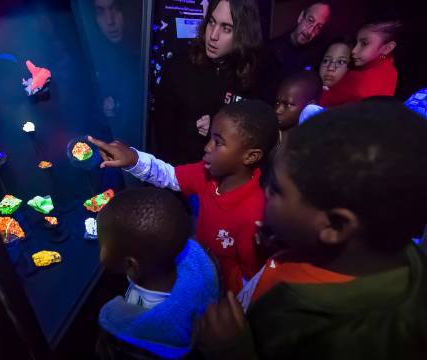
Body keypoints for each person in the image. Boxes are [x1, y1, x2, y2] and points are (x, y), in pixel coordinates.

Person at [196, 98, 427, 359]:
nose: (265, 193)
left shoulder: (349, 340)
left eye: (278, 190)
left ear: (335, 225)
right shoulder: (371, 243)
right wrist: (288, 243)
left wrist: (233, 351)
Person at [89, 100, 279, 293]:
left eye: (218, 142)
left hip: (219, 291)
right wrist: (133, 159)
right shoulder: (208, 174)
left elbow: (250, 279)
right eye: (210, 138)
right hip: (198, 269)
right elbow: (169, 175)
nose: (207, 147)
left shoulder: (254, 213)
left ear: (250, 156)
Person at [96, 187, 219, 359]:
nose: (100, 251)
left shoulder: (138, 330)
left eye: (102, 245)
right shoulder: (199, 270)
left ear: (131, 265)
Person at [151, 0, 264, 165]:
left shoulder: (257, 73)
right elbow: (162, 132)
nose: (213, 35)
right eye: (212, 22)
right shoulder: (180, 65)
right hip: (181, 173)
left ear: (243, 34)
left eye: (226, 28)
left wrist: (218, 129)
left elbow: (257, 135)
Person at [320, 15, 402, 107]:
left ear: (387, 48)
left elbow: (324, 101)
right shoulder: (390, 69)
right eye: (356, 42)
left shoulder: (362, 83)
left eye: (364, 44)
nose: (354, 50)